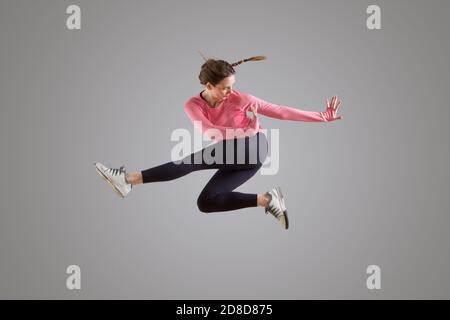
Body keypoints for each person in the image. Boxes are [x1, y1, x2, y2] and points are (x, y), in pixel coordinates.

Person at [94, 55, 342, 230]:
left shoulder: (241, 98)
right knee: (207, 201)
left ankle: (126, 180)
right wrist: (246, 130)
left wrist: (323, 116)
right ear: (209, 86)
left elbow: (281, 111)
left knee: (192, 160)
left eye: (233, 87)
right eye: (225, 89)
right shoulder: (193, 104)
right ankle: (268, 200)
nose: (231, 93)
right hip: (240, 152)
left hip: (255, 148)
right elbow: (211, 133)